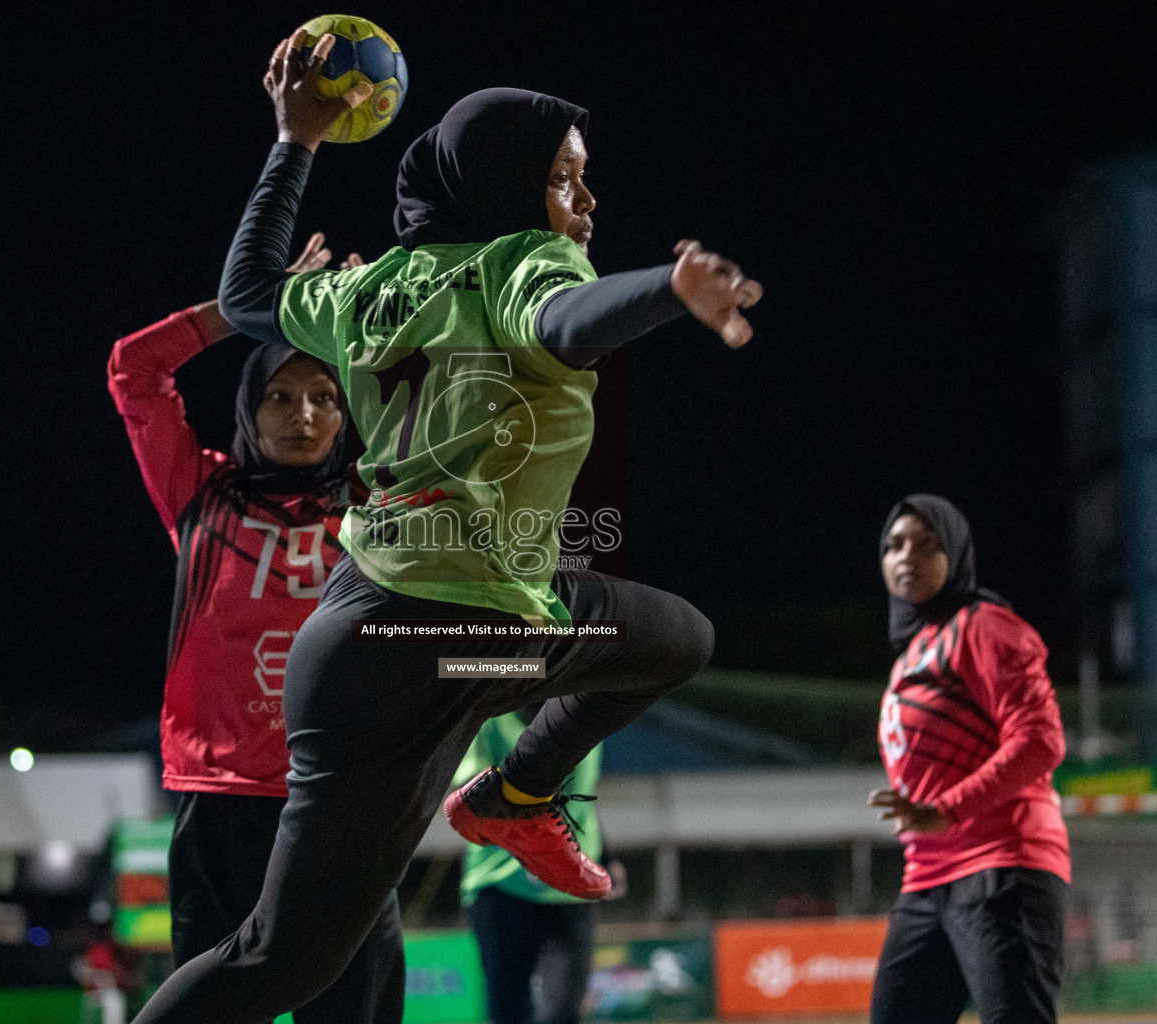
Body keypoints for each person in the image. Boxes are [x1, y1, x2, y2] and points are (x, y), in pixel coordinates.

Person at [130, 28, 761, 1024]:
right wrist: (666, 293)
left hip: (373, 643)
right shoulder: (521, 266)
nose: (585, 204)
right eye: (564, 180)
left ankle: (515, 793)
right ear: (511, 192)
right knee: (278, 964)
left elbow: (250, 295)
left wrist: (295, 140)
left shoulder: (375, 287)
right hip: (445, 639)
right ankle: (517, 790)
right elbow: (564, 320)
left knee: (271, 960)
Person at [107, 233, 404, 1023]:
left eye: (324, 396)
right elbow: (134, 369)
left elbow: (448, 408)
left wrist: (375, 321)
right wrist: (248, 309)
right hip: (221, 808)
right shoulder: (202, 494)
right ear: (249, 405)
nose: (302, 415)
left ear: (348, 410)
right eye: (280, 395)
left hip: (339, 809)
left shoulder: (378, 505)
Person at [867, 495, 1072, 1024]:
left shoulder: (985, 626)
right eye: (894, 545)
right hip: (928, 874)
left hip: (1002, 865)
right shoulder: (912, 650)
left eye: (928, 544)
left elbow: (1041, 741)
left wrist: (948, 808)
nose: (907, 556)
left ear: (955, 555)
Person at [457, 708, 626, 1024]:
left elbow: (579, 802)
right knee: (510, 1011)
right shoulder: (490, 719)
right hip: (501, 885)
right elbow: (470, 793)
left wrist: (608, 856)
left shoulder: (587, 720)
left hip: (571, 892)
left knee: (563, 1014)